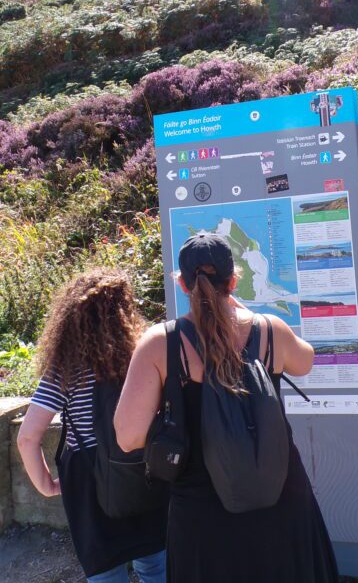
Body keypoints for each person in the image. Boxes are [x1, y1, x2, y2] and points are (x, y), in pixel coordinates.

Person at [115, 232, 339, 583]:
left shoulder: (161, 344)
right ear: (234, 280)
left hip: (203, 516)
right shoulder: (270, 330)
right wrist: (245, 315)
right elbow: (305, 361)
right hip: (280, 498)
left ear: (183, 284)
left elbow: (128, 437)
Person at [16, 268, 166, 583]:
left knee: (105, 572)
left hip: (88, 479)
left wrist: (45, 483)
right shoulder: (143, 356)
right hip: (142, 468)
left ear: (72, 315)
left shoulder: (65, 367)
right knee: (155, 565)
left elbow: (28, 437)